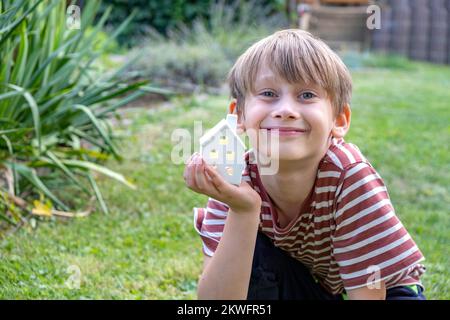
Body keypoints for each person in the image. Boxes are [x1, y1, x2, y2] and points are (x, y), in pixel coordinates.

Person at [183, 29, 426, 300]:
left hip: (383, 291)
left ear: (340, 120)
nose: (285, 110)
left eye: (307, 95)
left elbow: (369, 293)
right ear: (238, 115)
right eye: (268, 93)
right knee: (255, 249)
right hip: (311, 285)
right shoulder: (232, 177)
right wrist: (244, 209)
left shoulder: (349, 177)